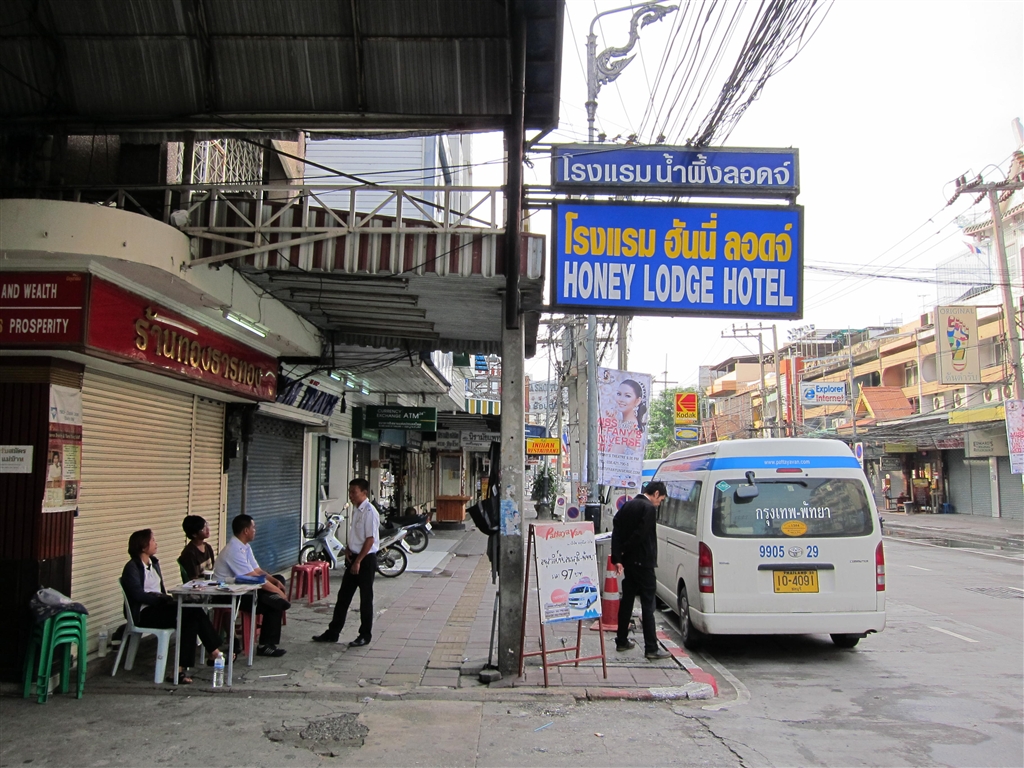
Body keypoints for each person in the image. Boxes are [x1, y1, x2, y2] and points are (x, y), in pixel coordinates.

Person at [121, 529, 225, 684]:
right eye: (152, 540)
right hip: (145, 612)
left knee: (191, 616)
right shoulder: (132, 567)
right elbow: (137, 594)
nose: (156, 543)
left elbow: (160, 590)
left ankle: (180, 669)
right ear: (143, 546)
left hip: (159, 607)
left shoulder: (153, 563)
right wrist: (159, 600)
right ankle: (213, 652)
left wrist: (165, 599)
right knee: (189, 615)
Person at [313, 478, 380, 647]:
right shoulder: (356, 510)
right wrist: (349, 549)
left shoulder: (369, 512)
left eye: (354, 492)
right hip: (354, 557)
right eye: (350, 492)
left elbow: (370, 540)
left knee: (365, 598)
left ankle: (364, 634)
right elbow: (357, 535)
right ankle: (333, 632)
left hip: (365, 560)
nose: (351, 495)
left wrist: (358, 561)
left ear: (364, 493)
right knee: (343, 597)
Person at [213, 514, 290, 657]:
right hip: (228, 595)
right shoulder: (233, 550)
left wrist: (275, 582)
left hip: (244, 589)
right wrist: (279, 592)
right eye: (253, 527)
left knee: (277, 581)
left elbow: (258, 570)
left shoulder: (245, 547)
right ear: (246, 531)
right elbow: (254, 578)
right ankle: (265, 645)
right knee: (274, 603)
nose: (255, 530)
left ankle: (273, 598)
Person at [611, 480, 670, 660]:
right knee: (648, 605)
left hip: (629, 563)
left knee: (627, 601)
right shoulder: (649, 509)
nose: (659, 503)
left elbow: (616, 530)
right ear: (656, 493)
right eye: (660, 500)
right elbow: (641, 534)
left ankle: (621, 640)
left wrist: (618, 557)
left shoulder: (627, 506)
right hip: (644, 563)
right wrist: (625, 549)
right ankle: (651, 647)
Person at [600, 378, 647, 456]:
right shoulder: (626, 423)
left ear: (637, 401)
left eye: (627, 396)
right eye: (619, 394)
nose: (621, 399)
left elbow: (613, 456)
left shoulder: (629, 426)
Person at [178, 515, 216, 582]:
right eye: (203, 529)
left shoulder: (208, 547)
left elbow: (214, 568)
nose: (207, 529)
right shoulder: (189, 553)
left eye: (206, 525)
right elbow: (193, 578)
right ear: (194, 534)